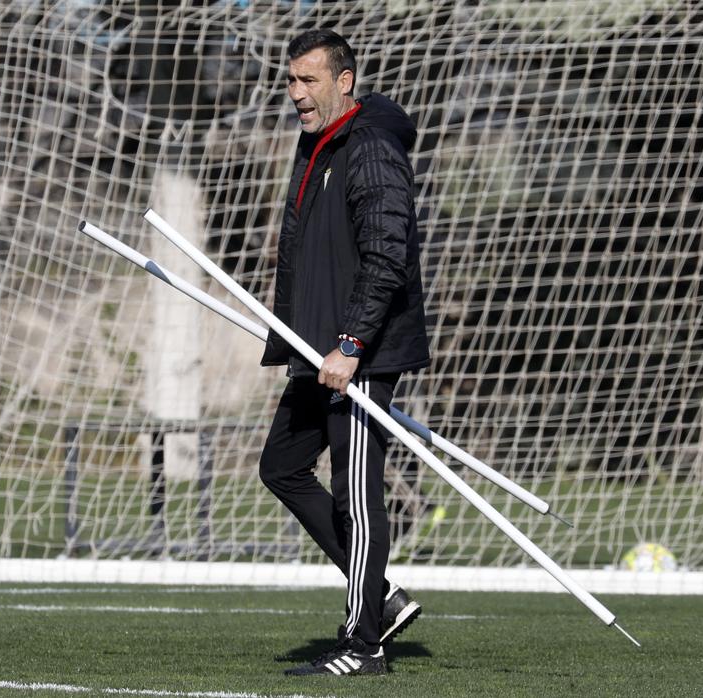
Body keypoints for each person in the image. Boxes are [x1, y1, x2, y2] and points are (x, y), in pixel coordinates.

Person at [258, 28, 430, 677]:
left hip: (360, 354)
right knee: (281, 466)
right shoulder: (316, 147)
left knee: (353, 496)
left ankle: (364, 643)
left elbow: (389, 253)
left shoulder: (370, 148)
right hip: (315, 351)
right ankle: (381, 596)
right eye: (291, 79)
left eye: (309, 80)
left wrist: (352, 344)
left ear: (344, 81)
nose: (296, 92)